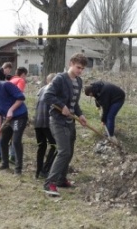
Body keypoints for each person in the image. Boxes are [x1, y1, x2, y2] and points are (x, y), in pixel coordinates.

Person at [43, 53, 88, 196]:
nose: (80, 71)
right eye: (78, 67)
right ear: (71, 64)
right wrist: (61, 106)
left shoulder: (79, 82)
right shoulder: (60, 79)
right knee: (64, 151)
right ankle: (50, 183)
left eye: (82, 69)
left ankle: (61, 179)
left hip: (70, 121)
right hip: (57, 120)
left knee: (70, 152)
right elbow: (47, 96)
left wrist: (80, 115)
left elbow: (74, 103)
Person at [33, 73, 57, 179]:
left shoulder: (42, 89)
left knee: (41, 147)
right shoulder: (54, 90)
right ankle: (46, 170)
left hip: (37, 122)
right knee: (55, 146)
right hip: (47, 122)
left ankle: (38, 171)